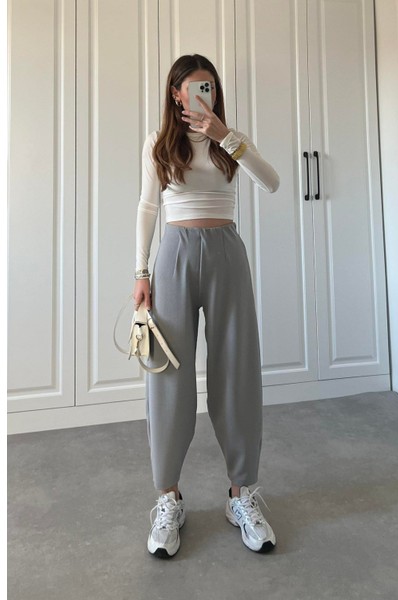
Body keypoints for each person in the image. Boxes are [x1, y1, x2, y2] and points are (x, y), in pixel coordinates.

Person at [133, 54, 280, 559]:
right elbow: (147, 206)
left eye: (210, 87)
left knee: (236, 369)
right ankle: (169, 498)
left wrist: (225, 135)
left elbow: (271, 181)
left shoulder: (230, 141)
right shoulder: (158, 143)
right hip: (174, 254)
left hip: (226, 254)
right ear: (176, 93)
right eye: (195, 88)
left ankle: (241, 494)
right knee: (167, 376)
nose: (204, 96)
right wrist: (140, 272)